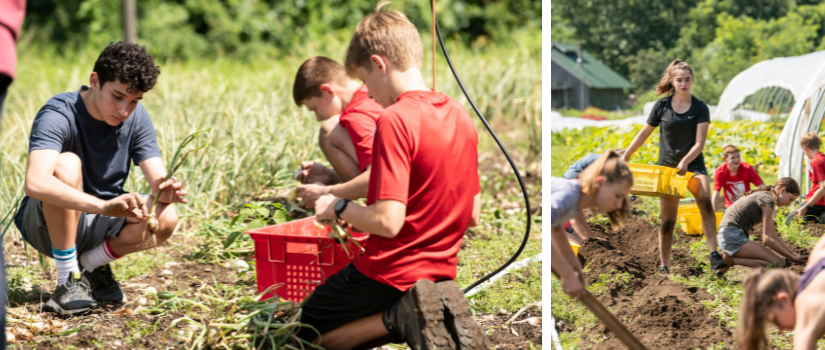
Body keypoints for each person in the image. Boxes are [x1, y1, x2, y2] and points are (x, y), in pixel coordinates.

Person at [294, 5, 486, 350]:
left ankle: (396, 316)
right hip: (441, 271)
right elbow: (471, 214)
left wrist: (334, 205)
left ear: (379, 64)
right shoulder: (460, 114)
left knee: (298, 335)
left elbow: (387, 221)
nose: (369, 93)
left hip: (391, 271)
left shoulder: (395, 118)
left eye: (366, 81)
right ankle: (407, 314)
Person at [13, 42, 185, 316]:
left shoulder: (136, 118)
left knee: (167, 217)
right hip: (45, 222)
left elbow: (157, 178)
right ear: (95, 80)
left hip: (102, 217)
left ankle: (91, 265)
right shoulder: (59, 112)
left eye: (134, 100)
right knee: (67, 164)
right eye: (117, 96)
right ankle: (66, 281)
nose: (124, 110)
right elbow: (35, 181)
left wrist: (164, 191)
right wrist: (102, 206)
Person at [621, 59, 727, 274]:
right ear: (673, 81)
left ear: (692, 81)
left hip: (693, 164)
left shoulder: (700, 107)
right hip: (668, 169)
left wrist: (686, 161)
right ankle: (664, 265)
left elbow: (700, 143)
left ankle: (714, 254)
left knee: (705, 201)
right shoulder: (661, 106)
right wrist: (627, 154)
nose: (684, 84)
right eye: (679, 80)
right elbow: (644, 132)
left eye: (687, 80)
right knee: (668, 220)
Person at [291, 56, 384, 207]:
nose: (318, 117)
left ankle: (370, 207)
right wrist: (331, 175)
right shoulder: (374, 92)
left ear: (328, 90)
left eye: (315, 109)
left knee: (330, 130)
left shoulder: (357, 116)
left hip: (403, 202)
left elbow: (380, 179)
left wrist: (325, 192)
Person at [551, 151, 634, 300]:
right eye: (617, 196)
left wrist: (575, 268)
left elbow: (556, 230)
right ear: (600, 183)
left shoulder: (576, 200)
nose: (619, 204)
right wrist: (567, 274)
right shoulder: (567, 195)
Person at [738, 234, 825, 350]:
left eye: (775, 320)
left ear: (783, 299)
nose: (781, 328)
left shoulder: (808, 302)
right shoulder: (816, 257)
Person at [714, 178, 807, 277]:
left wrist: (794, 256)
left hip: (729, 235)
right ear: (782, 191)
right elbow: (767, 239)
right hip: (731, 236)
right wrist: (793, 258)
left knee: (780, 262)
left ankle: (728, 258)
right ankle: (729, 260)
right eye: (790, 199)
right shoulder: (767, 200)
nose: (789, 204)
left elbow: (773, 236)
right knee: (779, 263)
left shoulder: (767, 197)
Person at [562, 149, 626, 244]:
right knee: (581, 247)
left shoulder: (583, 195)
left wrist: (592, 238)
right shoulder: (574, 193)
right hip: (555, 227)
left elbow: (580, 217)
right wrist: (585, 240)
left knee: (582, 244)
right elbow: (574, 220)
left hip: (566, 227)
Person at [712, 145, 764, 212]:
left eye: (738, 156)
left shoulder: (747, 169)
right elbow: (716, 194)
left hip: (747, 205)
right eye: (732, 158)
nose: (736, 160)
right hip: (730, 207)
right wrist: (713, 214)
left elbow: (763, 187)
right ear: (725, 159)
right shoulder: (720, 171)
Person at [796, 132, 825, 223]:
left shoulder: (815, 161)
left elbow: (823, 188)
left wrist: (805, 207)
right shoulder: (823, 158)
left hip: (818, 202)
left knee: (790, 221)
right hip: (821, 202)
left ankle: (817, 218)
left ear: (805, 148)